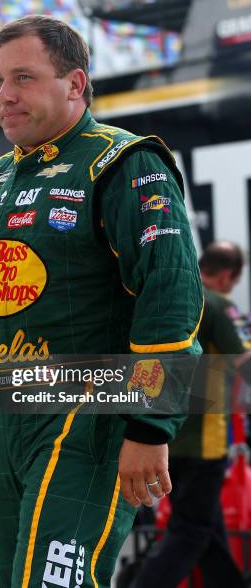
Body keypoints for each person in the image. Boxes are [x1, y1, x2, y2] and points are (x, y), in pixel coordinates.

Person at [0, 15, 203, 587]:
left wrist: (151, 426)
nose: (4, 96)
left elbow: (170, 294)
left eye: (24, 78)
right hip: (11, 417)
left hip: (95, 412)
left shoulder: (124, 163)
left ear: (75, 83)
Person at [131, 241, 247, 588]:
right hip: (204, 446)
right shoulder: (220, 307)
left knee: (209, 530)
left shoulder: (170, 301)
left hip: (162, 438)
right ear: (227, 276)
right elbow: (245, 364)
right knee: (191, 533)